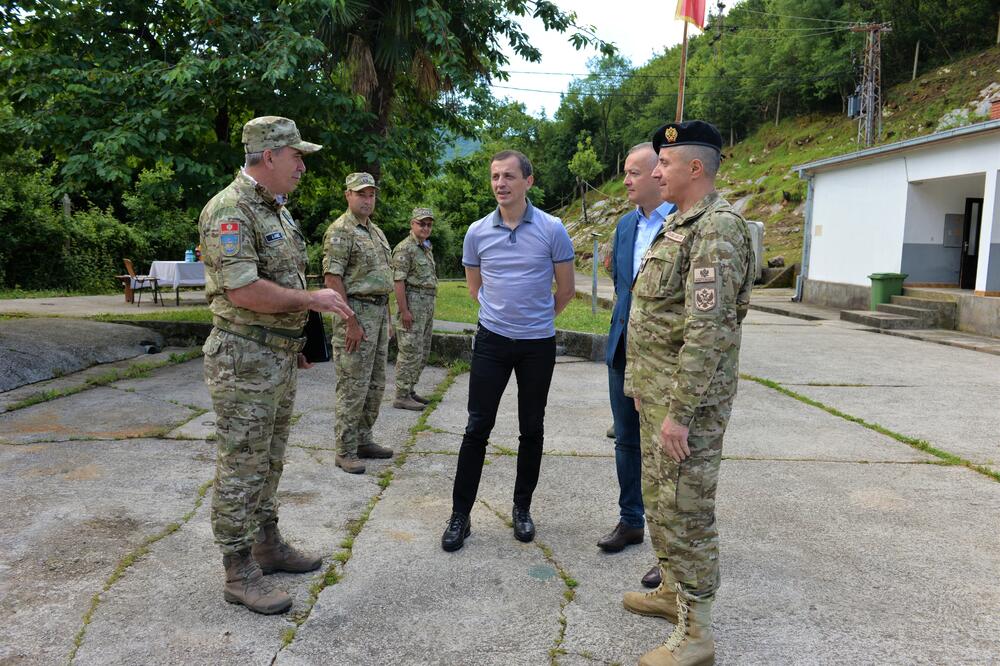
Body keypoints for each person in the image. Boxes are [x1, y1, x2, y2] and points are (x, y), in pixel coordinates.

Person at [200, 116, 353, 615]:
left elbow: (282, 277)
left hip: (276, 354)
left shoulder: (276, 211)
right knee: (242, 464)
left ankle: (267, 544)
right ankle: (238, 570)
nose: (303, 166)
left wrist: (299, 339)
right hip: (245, 357)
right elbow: (244, 290)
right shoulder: (231, 210)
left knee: (270, 459)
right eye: (297, 156)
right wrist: (313, 300)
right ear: (269, 156)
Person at [622, 120, 753, 666]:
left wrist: (678, 413)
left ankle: (697, 634)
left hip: (686, 410)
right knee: (661, 502)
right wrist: (638, 388)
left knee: (687, 510)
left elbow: (708, 330)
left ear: (694, 168)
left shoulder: (717, 229)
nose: (655, 172)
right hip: (657, 399)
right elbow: (655, 312)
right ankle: (673, 592)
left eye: (665, 164)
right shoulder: (679, 223)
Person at [441, 150, 575, 552]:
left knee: (531, 428)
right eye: (495, 176)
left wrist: (535, 320)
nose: (501, 183)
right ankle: (460, 516)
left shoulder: (552, 229)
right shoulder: (477, 231)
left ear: (528, 182)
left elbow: (565, 290)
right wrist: (503, 319)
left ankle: (522, 509)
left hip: (537, 346)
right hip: (492, 343)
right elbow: (474, 288)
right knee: (476, 428)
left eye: (509, 176)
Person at [599, 144, 676, 584]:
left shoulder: (682, 224)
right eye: (624, 172)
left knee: (662, 451)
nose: (626, 180)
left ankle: (668, 548)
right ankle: (631, 521)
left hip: (660, 358)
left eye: (633, 173)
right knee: (626, 440)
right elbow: (621, 284)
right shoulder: (626, 225)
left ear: (658, 175)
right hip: (622, 347)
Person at [323, 172, 395, 474]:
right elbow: (332, 279)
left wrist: (388, 318)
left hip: (377, 313)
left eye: (371, 194)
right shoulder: (341, 231)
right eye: (361, 194)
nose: (368, 200)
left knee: (376, 383)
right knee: (353, 385)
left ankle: (364, 439)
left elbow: (383, 278)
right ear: (348, 195)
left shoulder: (375, 232)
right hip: (355, 313)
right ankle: (345, 449)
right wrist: (350, 321)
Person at [391, 207, 438, 411]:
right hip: (412, 305)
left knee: (422, 351)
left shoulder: (424, 247)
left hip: (426, 306)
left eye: (428, 224)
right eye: (421, 223)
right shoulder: (405, 248)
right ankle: (401, 395)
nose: (425, 227)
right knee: (409, 351)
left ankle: (409, 390)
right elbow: (398, 281)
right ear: (412, 224)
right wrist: (404, 311)